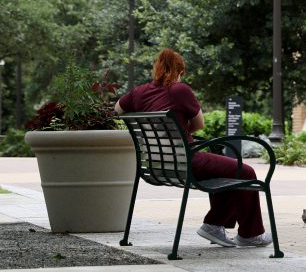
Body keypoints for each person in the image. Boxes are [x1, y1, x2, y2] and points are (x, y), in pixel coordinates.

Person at [114, 48, 272, 248]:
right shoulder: (179, 90)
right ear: (179, 72)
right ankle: (248, 234)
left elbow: (117, 110)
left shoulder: (138, 92)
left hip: (156, 165)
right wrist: (181, 131)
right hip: (187, 160)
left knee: (229, 172)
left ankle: (215, 225)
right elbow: (199, 124)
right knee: (245, 171)